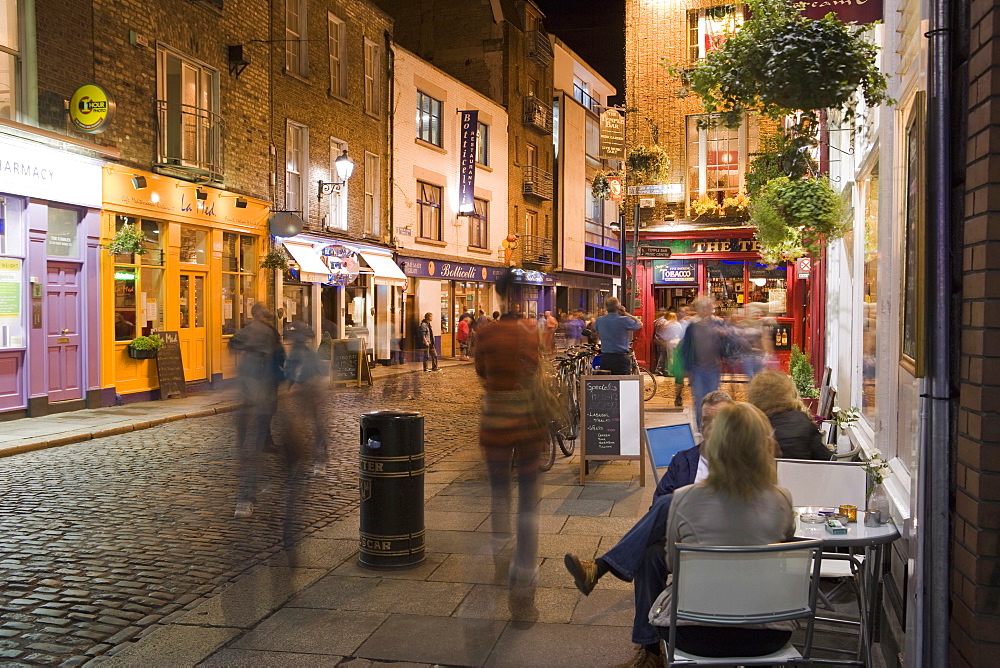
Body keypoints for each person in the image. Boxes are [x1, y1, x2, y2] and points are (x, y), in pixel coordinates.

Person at [563, 391, 735, 668]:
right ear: (700, 424)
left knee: (672, 504)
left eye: (721, 420)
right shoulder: (684, 460)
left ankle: (600, 568)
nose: (711, 427)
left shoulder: (744, 461)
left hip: (727, 544)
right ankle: (650, 651)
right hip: (684, 542)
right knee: (650, 554)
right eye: (706, 420)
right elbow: (657, 506)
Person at [649, 403, 796, 659]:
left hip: (693, 631)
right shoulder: (781, 498)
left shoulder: (684, 498)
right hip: (767, 632)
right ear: (763, 446)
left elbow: (673, 564)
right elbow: (784, 547)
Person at [474, 311, 545, 601]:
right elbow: (536, 366)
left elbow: (480, 370)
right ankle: (525, 566)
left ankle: (500, 544)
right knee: (528, 494)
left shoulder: (485, 333)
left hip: (495, 420)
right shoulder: (528, 330)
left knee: (499, 486)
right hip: (527, 422)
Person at [228, 303, 285, 518]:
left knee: (249, 432)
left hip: (247, 388)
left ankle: (252, 448)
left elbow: (233, 345)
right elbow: (280, 357)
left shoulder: (245, 331)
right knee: (261, 427)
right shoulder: (269, 332)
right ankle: (247, 496)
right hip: (263, 386)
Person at [748, 371, 834, 460]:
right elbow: (826, 460)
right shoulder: (803, 422)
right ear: (789, 394)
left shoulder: (749, 425)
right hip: (800, 473)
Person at [677, 296, 725, 429]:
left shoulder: (719, 324)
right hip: (697, 368)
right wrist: (686, 369)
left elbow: (730, 342)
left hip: (713, 368)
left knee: (714, 399)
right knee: (699, 400)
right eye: (703, 307)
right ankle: (701, 427)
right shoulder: (692, 326)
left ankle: (714, 427)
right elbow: (685, 348)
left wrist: (725, 334)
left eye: (709, 307)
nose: (707, 310)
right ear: (698, 309)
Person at [594, 297, 643, 375]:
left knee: (607, 383)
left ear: (606, 307)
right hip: (621, 358)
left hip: (606, 357)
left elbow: (594, 330)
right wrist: (625, 313)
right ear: (619, 307)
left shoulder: (600, 320)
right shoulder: (624, 320)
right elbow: (639, 324)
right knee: (622, 382)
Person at [653, 311, 682, 376]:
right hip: (676, 341)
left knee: (668, 356)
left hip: (667, 341)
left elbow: (664, 333)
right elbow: (680, 332)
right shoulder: (677, 324)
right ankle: (672, 371)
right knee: (675, 357)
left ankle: (667, 371)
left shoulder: (665, 323)